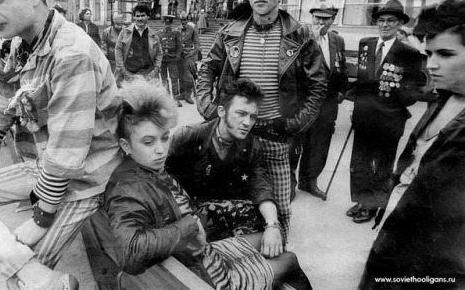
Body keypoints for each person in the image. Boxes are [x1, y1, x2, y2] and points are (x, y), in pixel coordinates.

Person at [0, 0, 122, 289]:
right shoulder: (22, 44)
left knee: (18, 273)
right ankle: (49, 282)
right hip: (42, 164)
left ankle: (38, 278)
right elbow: (0, 105)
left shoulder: (71, 54)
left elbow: (68, 150)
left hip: (82, 180)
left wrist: (41, 216)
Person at [105, 76, 312, 290]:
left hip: (197, 250)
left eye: (165, 138)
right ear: (125, 145)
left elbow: (260, 185)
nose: (160, 150)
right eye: (148, 142)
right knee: (289, 261)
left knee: (276, 245)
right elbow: (129, 253)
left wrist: (272, 225)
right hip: (199, 268)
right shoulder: (129, 186)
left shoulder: (148, 169)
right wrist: (190, 226)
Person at [196, 0, 327, 242]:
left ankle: (275, 270)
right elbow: (207, 69)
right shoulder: (229, 33)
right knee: (232, 208)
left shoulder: (301, 35)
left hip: (277, 141)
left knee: (278, 214)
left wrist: (292, 125)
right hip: (235, 139)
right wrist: (210, 111)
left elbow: (318, 86)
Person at [358, 0, 465, 289]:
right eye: (429, 54)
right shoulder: (442, 100)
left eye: (445, 54)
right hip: (395, 237)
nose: (433, 65)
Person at [168, 78, 284, 246]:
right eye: (241, 113)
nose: (247, 123)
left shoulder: (252, 146)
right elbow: (158, 179)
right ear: (222, 111)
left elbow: (260, 186)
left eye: (253, 116)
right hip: (184, 217)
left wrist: (273, 225)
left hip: (223, 218)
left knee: (270, 231)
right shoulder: (188, 137)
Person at [347, 0, 425, 223]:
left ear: (399, 23)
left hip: (389, 119)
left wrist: (397, 103)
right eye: (381, 20)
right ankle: (361, 201)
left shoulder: (408, 53)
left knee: (382, 165)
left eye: (391, 21)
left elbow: (416, 87)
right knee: (359, 164)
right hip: (363, 116)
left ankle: (373, 206)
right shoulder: (366, 44)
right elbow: (362, 80)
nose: (384, 25)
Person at [289, 2, 348, 201]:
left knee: (319, 144)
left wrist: (341, 90)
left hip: (327, 104)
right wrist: (309, 42)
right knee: (295, 143)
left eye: (325, 18)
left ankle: (309, 181)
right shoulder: (299, 37)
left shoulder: (337, 40)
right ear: (311, 18)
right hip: (303, 101)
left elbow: (342, 68)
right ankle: (289, 185)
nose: (320, 22)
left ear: (332, 20)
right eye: (317, 18)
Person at [114, 4, 162, 83]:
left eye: (143, 15)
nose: (140, 19)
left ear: (147, 17)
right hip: (129, 74)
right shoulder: (125, 33)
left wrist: (155, 71)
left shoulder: (154, 35)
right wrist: (124, 71)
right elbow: (118, 50)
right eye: (137, 16)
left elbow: (159, 53)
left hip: (148, 75)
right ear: (134, 17)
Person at [157, 15, 182, 107]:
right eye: (166, 23)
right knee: (164, 79)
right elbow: (157, 47)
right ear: (163, 22)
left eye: (169, 23)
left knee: (174, 79)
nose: (167, 25)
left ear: (171, 23)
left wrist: (177, 57)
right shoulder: (159, 33)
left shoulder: (176, 33)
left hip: (172, 59)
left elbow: (179, 47)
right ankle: (166, 99)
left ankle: (176, 99)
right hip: (163, 59)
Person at [177, 11, 199, 104]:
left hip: (188, 54)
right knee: (180, 75)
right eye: (182, 20)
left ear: (187, 20)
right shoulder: (177, 30)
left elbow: (197, 44)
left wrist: (192, 53)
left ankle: (188, 95)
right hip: (179, 55)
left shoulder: (192, 30)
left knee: (188, 76)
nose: (183, 22)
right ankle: (182, 93)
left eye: (185, 20)